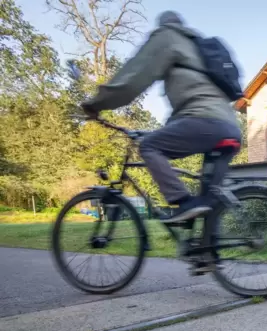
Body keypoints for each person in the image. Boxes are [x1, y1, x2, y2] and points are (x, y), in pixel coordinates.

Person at [81, 11, 241, 223]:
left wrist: (97, 104)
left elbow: (133, 78)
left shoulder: (167, 37)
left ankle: (182, 201)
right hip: (230, 127)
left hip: (205, 120)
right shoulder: (197, 47)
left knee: (149, 146)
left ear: (163, 25)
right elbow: (187, 111)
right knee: (209, 202)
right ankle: (207, 253)